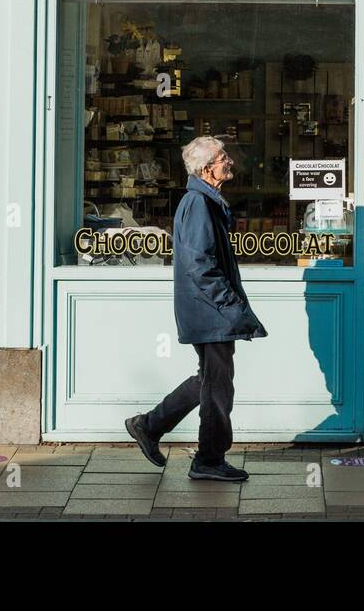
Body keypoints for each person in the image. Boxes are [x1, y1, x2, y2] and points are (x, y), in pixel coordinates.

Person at [125, 136, 267, 481]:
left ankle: (149, 424)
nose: (229, 161)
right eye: (223, 158)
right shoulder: (199, 204)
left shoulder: (204, 201)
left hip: (207, 311)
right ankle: (208, 459)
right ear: (206, 168)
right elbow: (200, 264)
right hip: (210, 312)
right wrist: (228, 305)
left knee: (209, 380)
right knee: (218, 387)